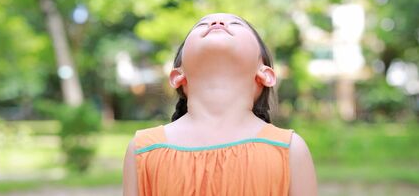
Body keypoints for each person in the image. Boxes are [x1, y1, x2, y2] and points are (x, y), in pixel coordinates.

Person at [123, 13, 317, 196]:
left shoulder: (289, 150)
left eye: (235, 24)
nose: (217, 23)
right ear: (177, 76)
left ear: (265, 73)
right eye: (202, 25)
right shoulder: (143, 150)